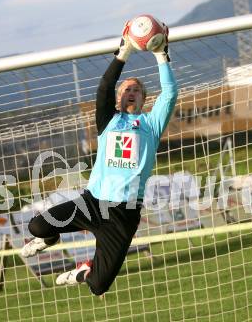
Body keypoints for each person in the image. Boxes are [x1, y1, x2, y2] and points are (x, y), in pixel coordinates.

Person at [21, 20, 178, 296]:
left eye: (136, 89)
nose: (130, 92)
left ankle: (84, 271)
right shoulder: (108, 120)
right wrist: (123, 53)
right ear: (119, 97)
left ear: (144, 97)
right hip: (92, 202)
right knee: (37, 225)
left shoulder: (151, 124)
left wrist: (160, 54)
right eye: (126, 89)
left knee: (98, 286)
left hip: (123, 214)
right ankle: (48, 238)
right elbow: (104, 87)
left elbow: (171, 93)